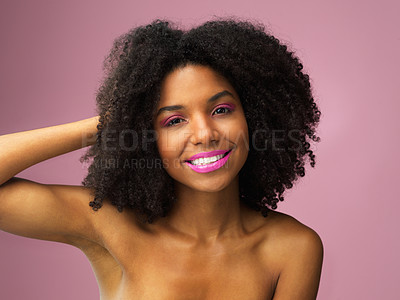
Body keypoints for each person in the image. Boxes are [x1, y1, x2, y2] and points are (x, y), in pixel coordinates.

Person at [0, 17, 323, 299]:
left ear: (256, 116)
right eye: (173, 120)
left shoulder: (293, 247)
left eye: (221, 110)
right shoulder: (110, 225)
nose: (204, 134)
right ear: (145, 135)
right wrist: (109, 124)